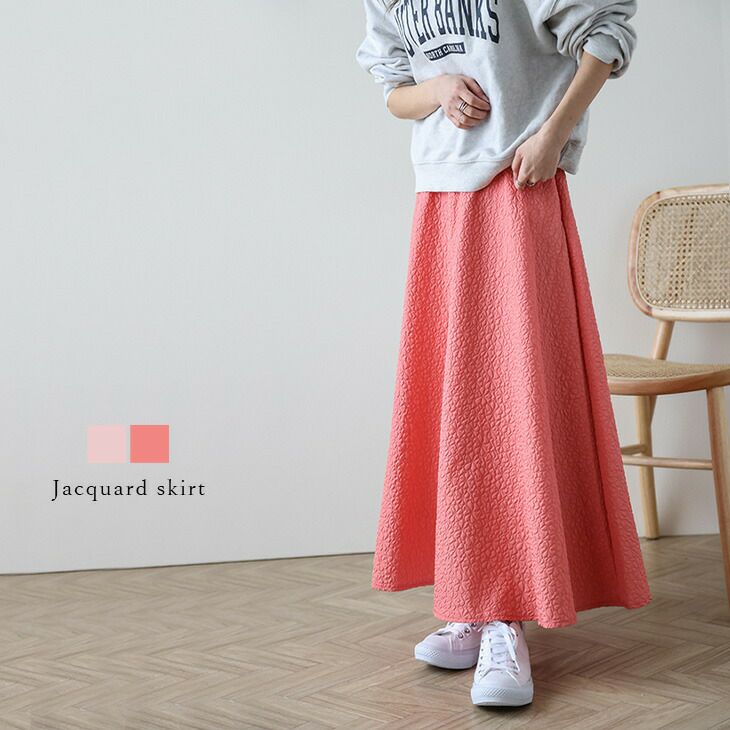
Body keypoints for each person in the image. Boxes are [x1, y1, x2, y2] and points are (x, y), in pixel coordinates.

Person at [355, 0, 652, 709]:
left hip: (517, 185)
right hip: (439, 198)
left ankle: (506, 616)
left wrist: (554, 134)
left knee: (507, 409)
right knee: (457, 410)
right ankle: (472, 596)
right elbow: (393, 89)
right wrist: (435, 90)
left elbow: (609, 34)